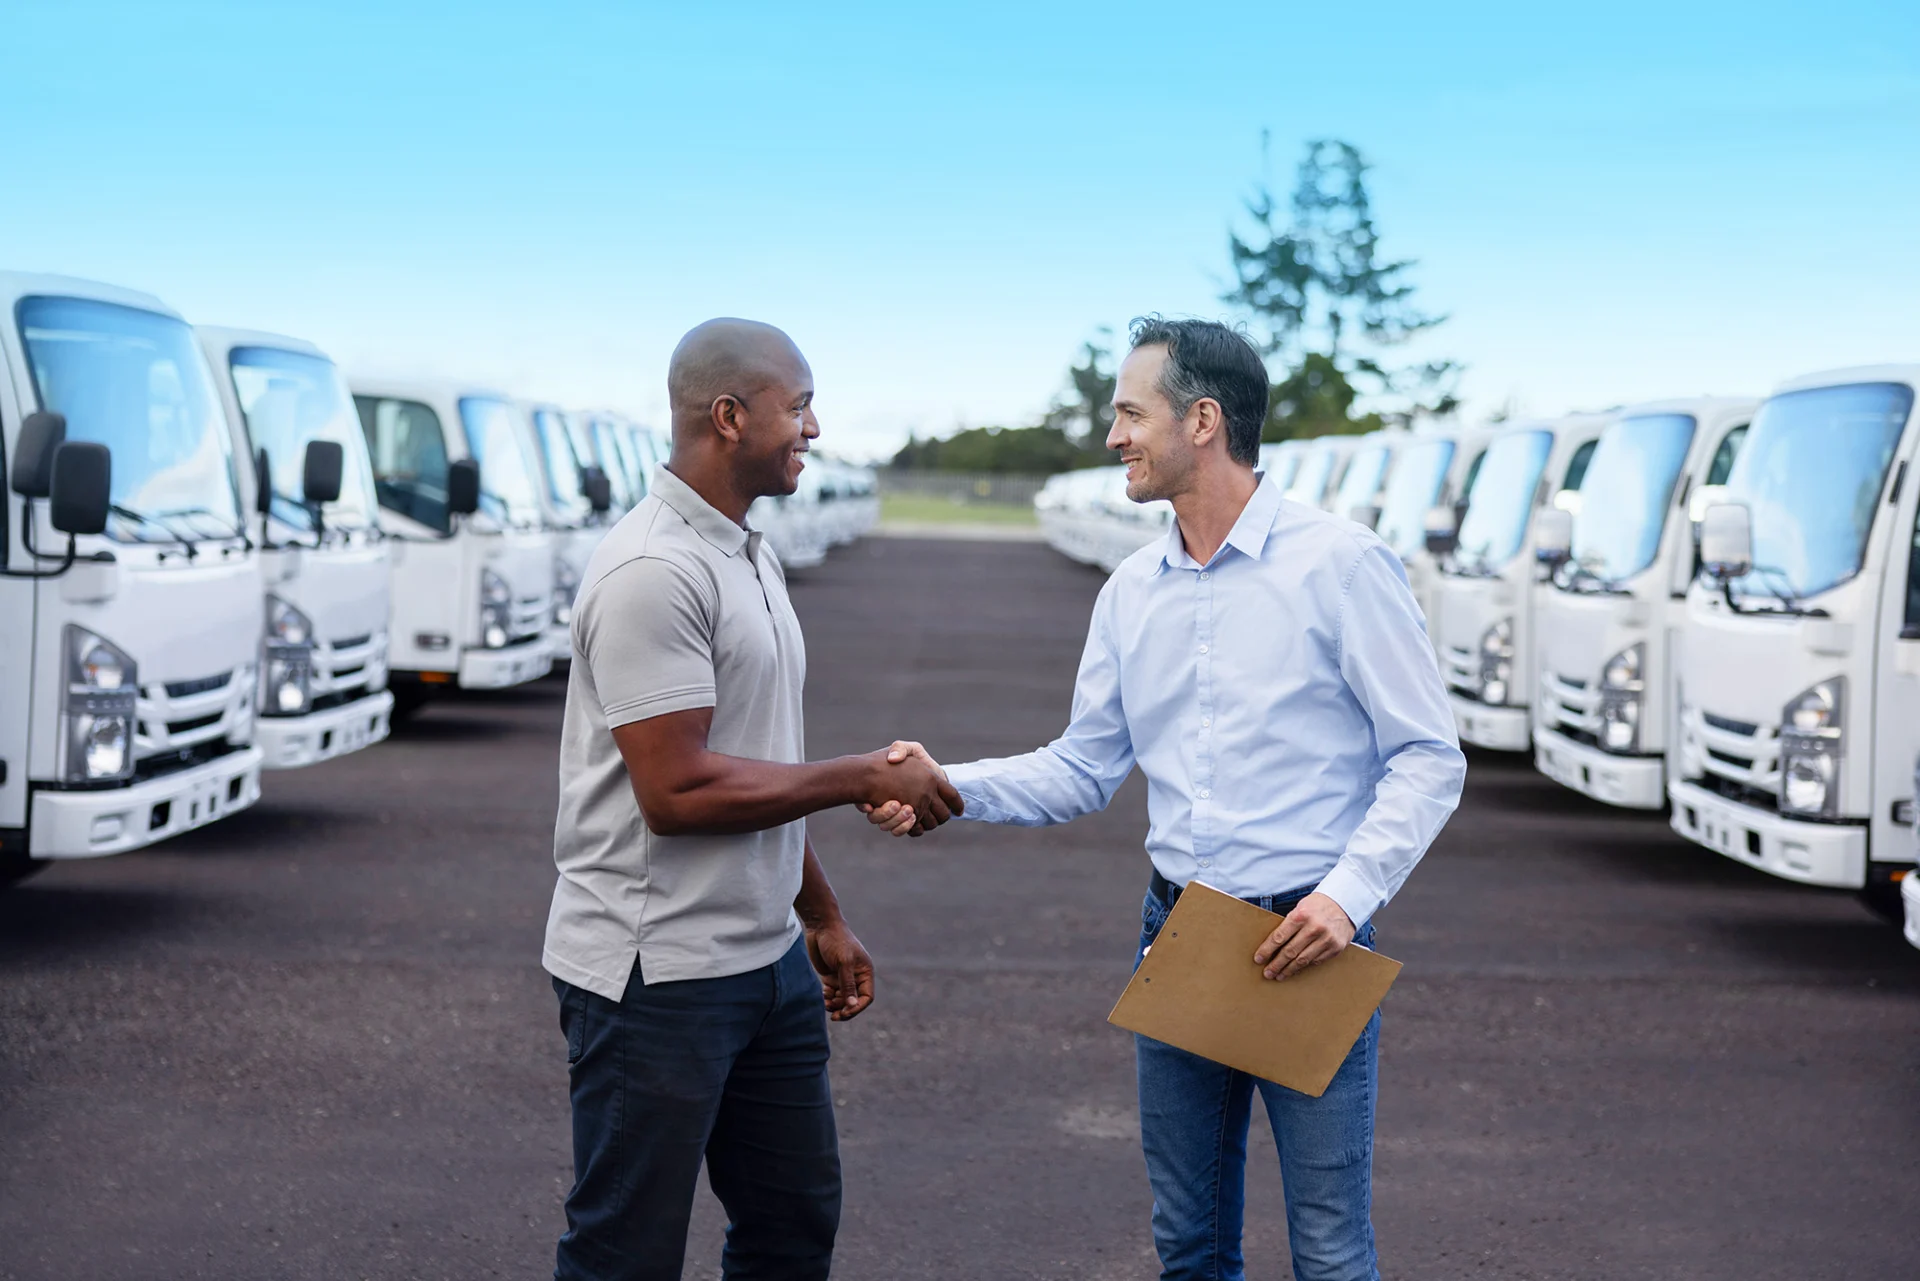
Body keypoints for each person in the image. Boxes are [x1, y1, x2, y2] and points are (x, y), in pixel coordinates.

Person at [868, 317, 1465, 1281]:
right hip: (1181, 931)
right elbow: (1084, 767)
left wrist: (1347, 897)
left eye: (1130, 414)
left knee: (1330, 1250)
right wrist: (949, 786)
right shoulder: (1129, 592)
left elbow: (1430, 755)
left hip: (1309, 939)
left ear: (1202, 420)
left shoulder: (1343, 565)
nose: (1114, 438)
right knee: (1188, 1246)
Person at [545, 317, 962, 1281]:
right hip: (658, 973)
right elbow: (679, 789)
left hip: (764, 960)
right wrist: (862, 773)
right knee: (625, 1252)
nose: (814, 427)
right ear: (729, 416)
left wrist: (818, 914)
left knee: (791, 1227)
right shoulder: (655, 569)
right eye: (800, 404)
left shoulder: (746, 552)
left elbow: (758, 761)